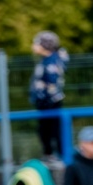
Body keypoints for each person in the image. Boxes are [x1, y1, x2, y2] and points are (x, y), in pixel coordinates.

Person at [29, 32, 69, 162]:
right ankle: (52, 154)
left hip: (49, 103)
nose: (33, 46)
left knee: (51, 130)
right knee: (46, 130)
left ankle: (55, 155)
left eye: (36, 43)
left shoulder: (51, 62)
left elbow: (52, 82)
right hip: (46, 102)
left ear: (45, 46)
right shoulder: (46, 60)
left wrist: (46, 97)